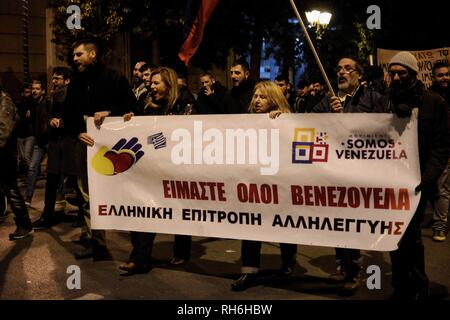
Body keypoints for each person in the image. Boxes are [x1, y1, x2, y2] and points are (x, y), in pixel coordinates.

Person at [312, 57, 384, 295]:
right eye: (339, 68)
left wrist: (345, 115)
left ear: (359, 75)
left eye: (347, 69)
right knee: (337, 222)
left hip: (361, 172)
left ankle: (353, 271)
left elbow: (379, 129)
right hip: (335, 171)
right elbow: (309, 122)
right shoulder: (328, 100)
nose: (341, 72)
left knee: (353, 222)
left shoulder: (372, 99)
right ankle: (342, 266)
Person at [380, 51, 449, 299]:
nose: (396, 78)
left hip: (419, 182)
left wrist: (427, 179)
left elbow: (442, 146)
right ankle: (401, 287)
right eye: (392, 73)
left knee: (411, 236)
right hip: (391, 181)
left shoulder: (434, 103)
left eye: (402, 73)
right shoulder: (384, 102)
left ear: (413, 74)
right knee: (395, 235)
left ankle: (419, 286)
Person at [63, 39, 138, 261]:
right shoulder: (75, 83)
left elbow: (133, 108)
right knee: (87, 195)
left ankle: (139, 250)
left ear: (92, 54)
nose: (74, 59)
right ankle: (97, 243)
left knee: (121, 195)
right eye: (74, 55)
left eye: (79, 54)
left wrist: (110, 113)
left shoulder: (115, 78)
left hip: (117, 149)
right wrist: (78, 131)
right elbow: (69, 115)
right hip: (86, 149)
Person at [119, 67, 195, 274]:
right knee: (145, 210)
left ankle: (181, 252)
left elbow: (181, 135)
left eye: (156, 83)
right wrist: (130, 121)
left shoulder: (185, 104)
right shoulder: (148, 108)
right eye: (150, 84)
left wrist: (155, 139)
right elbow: (145, 136)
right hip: (153, 169)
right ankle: (140, 257)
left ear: (168, 85)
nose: (151, 88)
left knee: (180, 211)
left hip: (178, 169)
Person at [231, 81, 297, 292]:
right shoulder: (248, 121)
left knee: (283, 224)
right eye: (255, 96)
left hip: (279, 184)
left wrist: (283, 123)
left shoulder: (287, 121)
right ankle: (248, 270)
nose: (257, 100)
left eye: (263, 97)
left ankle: (288, 262)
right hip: (254, 183)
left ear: (275, 99)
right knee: (251, 224)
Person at [32, 67, 85, 230]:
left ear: (67, 81)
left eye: (58, 78)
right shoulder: (51, 97)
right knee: (52, 182)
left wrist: (62, 122)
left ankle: (83, 216)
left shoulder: (75, 96)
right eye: (53, 78)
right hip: (56, 144)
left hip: (70, 144)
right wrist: (50, 121)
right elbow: (45, 115)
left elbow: (80, 118)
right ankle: (47, 216)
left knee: (76, 183)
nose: (54, 81)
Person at [0, 85, 33, 240]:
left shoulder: (4, 102)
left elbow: (3, 131)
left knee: (10, 189)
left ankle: (24, 225)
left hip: (5, 155)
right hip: (4, 153)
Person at [428, 62, 450, 242]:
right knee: (431, 187)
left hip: (445, 148)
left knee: (442, 189)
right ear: (433, 77)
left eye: (447, 74)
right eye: (440, 75)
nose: (445, 78)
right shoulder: (428, 97)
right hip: (431, 147)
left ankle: (439, 227)